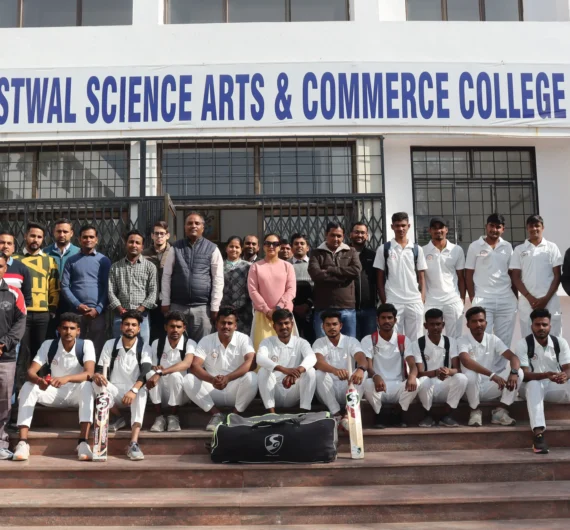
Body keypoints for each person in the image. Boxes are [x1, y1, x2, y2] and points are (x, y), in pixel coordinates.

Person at [12, 313, 95, 462]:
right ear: (58, 330)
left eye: (72, 328)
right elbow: (31, 372)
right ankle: (23, 442)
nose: (68, 332)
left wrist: (67, 378)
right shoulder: (49, 345)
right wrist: (39, 381)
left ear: (78, 331)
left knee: (87, 385)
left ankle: (83, 442)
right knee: (28, 386)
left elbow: (89, 373)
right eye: (65, 328)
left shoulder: (86, 344)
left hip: (76, 393)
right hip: (54, 393)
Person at [183, 307, 257, 431]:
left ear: (235, 326)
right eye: (223, 323)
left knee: (252, 377)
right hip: (213, 388)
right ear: (216, 324)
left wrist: (228, 378)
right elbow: (195, 366)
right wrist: (212, 380)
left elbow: (252, 363)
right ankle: (216, 414)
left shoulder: (243, 339)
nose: (226, 326)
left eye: (230, 323)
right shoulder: (206, 340)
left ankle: (234, 416)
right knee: (188, 379)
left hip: (235, 389)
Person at [92, 310, 152, 461]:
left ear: (139, 328)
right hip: (115, 391)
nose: (130, 328)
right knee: (95, 383)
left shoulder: (144, 346)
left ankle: (134, 443)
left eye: (133, 325)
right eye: (127, 324)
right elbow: (100, 368)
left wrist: (133, 390)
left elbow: (146, 371)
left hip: (133, 391)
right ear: (121, 327)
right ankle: (118, 417)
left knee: (142, 389)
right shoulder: (110, 344)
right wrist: (98, 376)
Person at [161, 212, 224, 342]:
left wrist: (215, 306)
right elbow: (166, 276)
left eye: (197, 223)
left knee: (203, 346)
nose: (193, 226)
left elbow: (218, 279)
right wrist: (165, 301)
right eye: (189, 223)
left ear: (203, 227)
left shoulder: (212, 249)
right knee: (178, 345)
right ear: (185, 227)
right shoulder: (175, 248)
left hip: (202, 308)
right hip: (178, 306)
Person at [515, 309, 570, 455]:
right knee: (534, 384)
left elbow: (568, 368)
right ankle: (538, 435)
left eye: (544, 325)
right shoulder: (523, 344)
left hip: (553, 387)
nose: (541, 328)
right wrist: (545, 375)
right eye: (537, 324)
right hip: (529, 387)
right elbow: (525, 375)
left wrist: (565, 376)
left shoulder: (560, 342)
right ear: (531, 326)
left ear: (550, 326)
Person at [458, 306, 523, 428]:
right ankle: (475, 411)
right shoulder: (462, 340)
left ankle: (500, 411)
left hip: (489, 387)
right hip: (469, 390)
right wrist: (492, 375)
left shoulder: (492, 339)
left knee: (519, 372)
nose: (478, 324)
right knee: (471, 374)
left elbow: (513, 357)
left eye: (481, 320)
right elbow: (466, 361)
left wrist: (513, 373)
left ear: (486, 323)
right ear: (468, 324)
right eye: (474, 321)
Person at [14, 222, 59, 396]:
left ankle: (41, 393)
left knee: (40, 354)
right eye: (32, 236)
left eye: (39, 237)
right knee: (20, 354)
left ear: (43, 239)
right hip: (20, 314)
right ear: (25, 236)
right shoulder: (14, 260)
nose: (35, 239)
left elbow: (54, 287)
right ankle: (17, 393)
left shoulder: (49, 260)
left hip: (42, 314)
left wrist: (52, 309)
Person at [361, 304, 419, 428]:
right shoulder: (369, 339)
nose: (386, 321)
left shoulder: (403, 340)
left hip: (398, 386)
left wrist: (412, 376)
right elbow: (368, 366)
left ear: (395, 320)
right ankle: (379, 414)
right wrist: (375, 376)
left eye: (389, 318)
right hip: (378, 385)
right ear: (377, 320)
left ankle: (398, 411)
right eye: (383, 318)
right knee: (367, 383)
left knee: (417, 383)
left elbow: (413, 365)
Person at [465, 213, 517, 351]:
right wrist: (472, 297)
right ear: (486, 226)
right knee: (482, 339)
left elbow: (511, 273)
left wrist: (515, 297)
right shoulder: (475, 246)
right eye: (491, 226)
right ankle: (483, 366)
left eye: (498, 227)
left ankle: (500, 366)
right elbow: (468, 273)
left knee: (504, 341)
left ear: (503, 229)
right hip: (483, 299)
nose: (494, 229)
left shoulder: (507, 247)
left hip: (506, 299)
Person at [374, 212, 427, 341]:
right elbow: (379, 278)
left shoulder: (417, 249)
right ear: (392, 227)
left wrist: (421, 298)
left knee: (416, 340)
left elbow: (422, 277)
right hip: (393, 300)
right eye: (397, 225)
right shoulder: (384, 249)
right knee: (393, 339)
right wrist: (385, 301)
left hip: (414, 301)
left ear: (409, 226)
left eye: (403, 225)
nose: (401, 229)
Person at [313, 310, 368, 429]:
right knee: (317, 374)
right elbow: (317, 362)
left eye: (334, 324)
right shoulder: (319, 342)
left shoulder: (351, 341)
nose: (332, 327)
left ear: (341, 326)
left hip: (348, 387)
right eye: (328, 325)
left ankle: (349, 413)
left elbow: (362, 358)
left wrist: (360, 369)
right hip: (328, 391)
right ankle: (336, 414)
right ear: (323, 327)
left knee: (364, 372)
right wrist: (335, 371)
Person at [61, 225, 111, 355]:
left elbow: (108, 287)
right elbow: (64, 286)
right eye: (85, 237)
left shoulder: (104, 260)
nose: (88, 240)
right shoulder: (71, 261)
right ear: (79, 239)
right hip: (76, 312)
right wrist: (77, 305)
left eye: (91, 237)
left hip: (98, 313)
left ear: (96, 239)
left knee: (97, 347)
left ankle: (95, 368)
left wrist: (98, 309)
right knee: (75, 346)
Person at [413, 309, 468, 427]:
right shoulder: (417, 343)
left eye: (438, 324)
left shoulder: (451, 342)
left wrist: (448, 371)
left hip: (445, 385)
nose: (435, 327)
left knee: (462, 378)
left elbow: (457, 369)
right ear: (425, 326)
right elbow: (420, 373)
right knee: (422, 381)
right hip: (427, 386)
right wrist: (436, 372)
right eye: (432, 324)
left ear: (443, 325)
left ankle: (446, 415)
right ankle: (428, 415)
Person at [510, 215, 563, 338]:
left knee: (554, 337)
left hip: (550, 301)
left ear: (542, 227)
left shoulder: (552, 247)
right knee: (529, 338)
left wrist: (546, 299)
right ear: (527, 228)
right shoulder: (519, 250)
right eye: (531, 226)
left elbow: (557, 276)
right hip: (527, 302)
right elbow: (516, 277)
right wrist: (530, 298)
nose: (534, 229)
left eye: (537, 226)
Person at [257, 309, 317, 413]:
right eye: (280, 324)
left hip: (293, 391)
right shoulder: (267, 342)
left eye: (286, 323)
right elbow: (260, 358)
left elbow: (312, 357)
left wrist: (296, 372)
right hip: (274, 391)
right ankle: (272, 413)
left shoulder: (301, 342)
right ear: (274, 326)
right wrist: (284, 370)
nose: (284, 327)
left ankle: (304, 411)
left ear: (292, 324)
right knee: (263, 371)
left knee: (310, 371)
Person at [309, 222, 361, 339]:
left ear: (343, 236)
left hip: (347, 307)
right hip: (323, 308)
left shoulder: (351, 251)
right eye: (332, 235)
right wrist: (344, 277)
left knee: (349, 344)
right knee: (323, 345)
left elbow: (356, 270)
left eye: (339, 236)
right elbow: (315, 274)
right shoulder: (316, 253)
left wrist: (331, 269)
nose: (336, 239)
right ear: (326, 235)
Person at [146, 311, 196, 432]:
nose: (175, 330)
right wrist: (155, 369)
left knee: (176, 376)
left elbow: (186, 364)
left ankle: (173, 417)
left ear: (184, 328)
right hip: (162, 392)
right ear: (165, 327)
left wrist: (161, 372)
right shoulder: (157, 343)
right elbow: (152, 366)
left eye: (178, 327)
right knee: (150, 374)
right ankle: (159, 418)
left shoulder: (190, 343)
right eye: (172, 326)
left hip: (181, 393)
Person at [108, 230, 158, 345]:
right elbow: (111, 291)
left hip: (142, 316)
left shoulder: (150, 267)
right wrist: (120, 309)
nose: (134, 245)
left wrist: (139, 310)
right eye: (131, 242)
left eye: (137, 243)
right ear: (126, 244)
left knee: (143, 347)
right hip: (121, 315)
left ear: (142, 246)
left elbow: (153, 292)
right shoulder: (115, 267)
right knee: (119, 346)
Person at [248, 233, 296, 350]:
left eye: (275, 244)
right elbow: (253, 290)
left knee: (286, 350)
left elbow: (291, 290)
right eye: (268, 243)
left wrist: (278, 307)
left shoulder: (288, 266)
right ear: (263, 246)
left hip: (284, 315)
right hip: (263, 316)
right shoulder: (255, 267)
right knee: (263, 350)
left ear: (279, 246)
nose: (271, 246)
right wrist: (267, 310)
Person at [0, 252, 27, 460]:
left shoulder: (14, 293)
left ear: (5, 268)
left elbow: (20, 322)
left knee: (3, 402)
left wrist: (4, 343)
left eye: (0, 266)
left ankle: (1, 442)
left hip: (5, 357)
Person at [422, 217, 466, 339]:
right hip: (431, 301)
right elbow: (421, 278)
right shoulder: (422, 251)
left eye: (441, 227)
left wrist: (462, 299)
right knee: (431, 338)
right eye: (434, 228)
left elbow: (461, 277)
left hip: (453, 300)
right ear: (430, 230)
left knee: (455, 339)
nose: (438, 231)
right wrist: (422, 299)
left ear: (446, 229)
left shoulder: (456, 250)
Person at [142, 220, 172, 343]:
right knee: (151, 332)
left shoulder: (174, 252)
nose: (159, 236)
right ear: (152, 235)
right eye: (156, 233)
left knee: (169, 329)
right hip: (150, 299)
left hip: (169, 298)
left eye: (162, 233)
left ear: (167, 235)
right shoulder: (144, 255)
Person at [349, 222, 378, 340]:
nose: (359, 235)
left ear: (367, 235)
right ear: (350, 234)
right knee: (351, 343)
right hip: (349, 309)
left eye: (362, 233)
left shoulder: (373, 255)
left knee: (369, 343)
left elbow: (378, 279)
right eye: (356, 232)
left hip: (369, 308)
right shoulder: (344, 253)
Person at [221, 236, 253, 335]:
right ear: (226, 248)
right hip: (223, 309)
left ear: (241, 249)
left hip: (244, 310)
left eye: (237, 247)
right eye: (231, 246)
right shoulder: (219, 265)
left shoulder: (249, 266)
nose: (234, 249)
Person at [289, 233, 314, 343]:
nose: (299, 246)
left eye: (302, 243)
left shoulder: (315, 264)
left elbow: (319, 287)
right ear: (291, 247)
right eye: (296, 244)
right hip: (291, 311)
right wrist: (293, 306)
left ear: (307, 247)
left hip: (311, 311)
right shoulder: (285, 265)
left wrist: (308, 304)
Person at [44, 218, 80, 293]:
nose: (61, 235)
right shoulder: (44, 253)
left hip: (72, 295)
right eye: (59, 231)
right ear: (54, 232)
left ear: (71, 233)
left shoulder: (79, 253)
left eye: (65, 232)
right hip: (50, 295)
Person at [0, 231, 31, 306]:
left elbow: (26, 299)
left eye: (9, 243)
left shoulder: (22, 269)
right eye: (2, 243)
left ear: (13, 248)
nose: (5, 246)